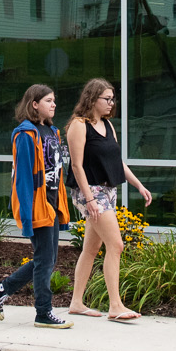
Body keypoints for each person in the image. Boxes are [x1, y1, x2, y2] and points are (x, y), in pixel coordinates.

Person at [65, 77, 153, 322]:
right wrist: (90, 199)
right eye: (107, 99)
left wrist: (139, 185)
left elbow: (117, 162)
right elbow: (76, 165)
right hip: (89, 192)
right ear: (92, 99)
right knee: (116, 245)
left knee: (91, 249)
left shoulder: (108, 126)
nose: (111, 103)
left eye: (113, 99)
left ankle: (76, 302)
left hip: (107, 191)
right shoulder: (79, 125)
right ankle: (115, 306)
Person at [0, 84, 73, 328]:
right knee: (45, 259)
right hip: (37, 206)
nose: (54, 104)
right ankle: (43, 313)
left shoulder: (51, 132)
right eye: (48, 100)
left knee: (47, 258)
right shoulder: (26, 135)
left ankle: (3, 287)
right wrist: (26, 217)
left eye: (54, 100)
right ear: (34, 104)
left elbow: (56, 173)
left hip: (51, 204)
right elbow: (24, 178)